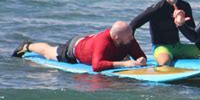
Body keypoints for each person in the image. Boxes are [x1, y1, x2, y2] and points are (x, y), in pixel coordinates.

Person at [11, 21, 147, 72]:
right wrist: (125, 64)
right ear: (116, 38)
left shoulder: (128, 38)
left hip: (90, 42)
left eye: (131, 35)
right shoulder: (103, 42)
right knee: (49, 53)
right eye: (128, 36)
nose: (132, 38)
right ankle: (27, 46)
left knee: (124, 56)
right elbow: (97, 66)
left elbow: (141, 55)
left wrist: (141, 59)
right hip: (74, 49)